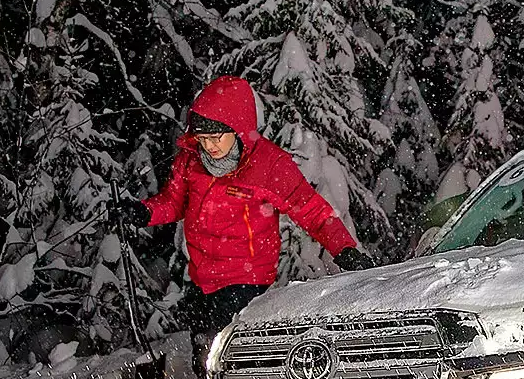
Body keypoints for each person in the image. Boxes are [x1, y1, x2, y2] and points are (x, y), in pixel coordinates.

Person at [115, 75, 376, 354]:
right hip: (204, 277)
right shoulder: (191, 160)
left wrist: (344, 248)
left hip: (246, 281)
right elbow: (174, 202)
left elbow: (311, 210)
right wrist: (142, 212)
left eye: (217, 137)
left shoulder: (268, 166)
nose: (210, 146)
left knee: (227, 353)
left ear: (238, 129)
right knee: (204, 351)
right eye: (203, 138)